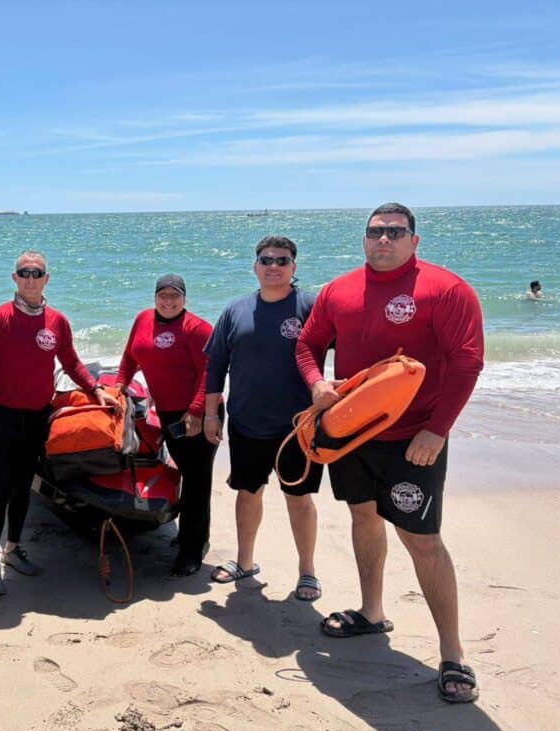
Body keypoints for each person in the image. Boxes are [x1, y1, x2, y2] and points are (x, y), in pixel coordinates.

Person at [296, 203, 484, 704]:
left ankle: (452, 654)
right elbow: (308, 346)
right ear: (364, 239)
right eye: (375, 232)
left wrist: (438, 431)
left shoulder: (445, 289)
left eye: (395, 232)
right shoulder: (338, 291)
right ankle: (372, 613)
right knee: (362, 517)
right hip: (352, 437)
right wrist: (318, 385)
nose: (384, 240)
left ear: (414, 241)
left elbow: (467, 363)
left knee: (422, 540)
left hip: (415, 440)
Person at [0, 250, 121, 596]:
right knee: (1, 490)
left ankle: (13, 548)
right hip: (2, 416)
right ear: (14, 278)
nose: (31, 279)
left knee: (25, 487)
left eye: (37, 273)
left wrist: (96, 390)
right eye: (24, 272)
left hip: (38, 416)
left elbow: (72, 362)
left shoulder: (57, 322)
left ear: (47, 279)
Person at [204, 237, 324, 600]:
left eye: (282, 260)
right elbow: (215, 367)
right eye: (266, 260)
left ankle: (307, 572)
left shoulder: (309, 306)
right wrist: (211, 415)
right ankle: (245, 561)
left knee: (298, 499)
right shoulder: (235, 310)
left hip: (298, 429)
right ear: (255, 266)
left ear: (294, 267)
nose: (274, 266)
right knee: (247, 492)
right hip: (246, 423)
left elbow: (345, 350)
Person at [115, 274, 215, 576]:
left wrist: (197, 412)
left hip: (196, 414)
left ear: (184, 299)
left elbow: (209, 372)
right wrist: (120, 383)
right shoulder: (144, 319)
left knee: (197, 481)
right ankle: (187, 535)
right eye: (163, 295)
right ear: (155, 296)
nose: (168, 301)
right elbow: (130, 355)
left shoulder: (198, 329)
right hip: (169, 413)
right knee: (182, 471)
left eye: (175, 296)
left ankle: (192, 551)